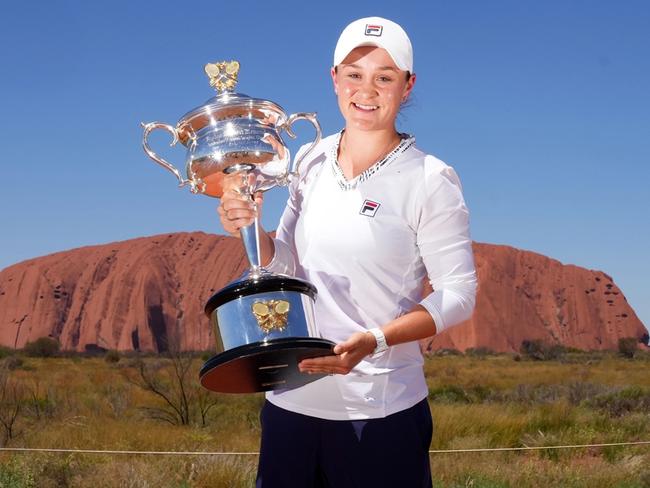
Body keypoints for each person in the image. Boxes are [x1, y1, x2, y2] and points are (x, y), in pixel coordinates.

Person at [218, 16, 477, 488]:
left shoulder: (431, 180)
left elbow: (458, 294)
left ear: (407, 85)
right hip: (291, 404)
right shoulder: (309, 160)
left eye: (384, 77)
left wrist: (373, 340)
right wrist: (248, 223)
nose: (367, 90)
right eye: (354, 75)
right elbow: (284, 265)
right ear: (334, 78)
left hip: (379, 412)